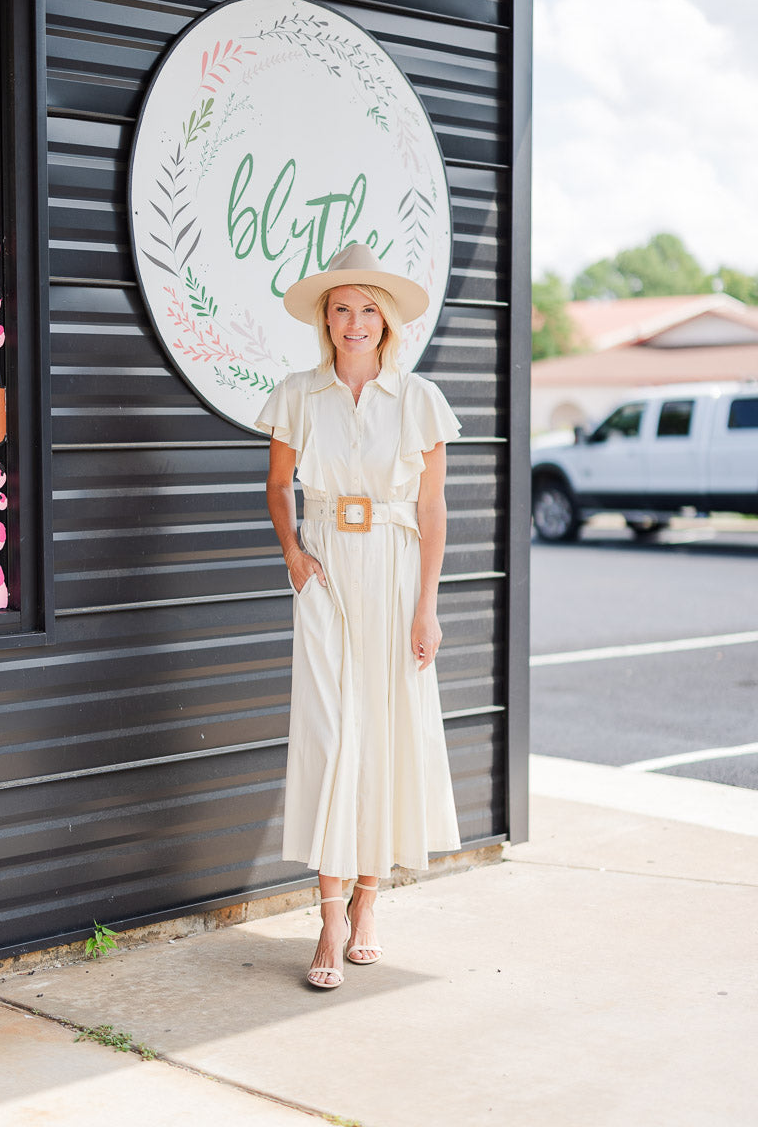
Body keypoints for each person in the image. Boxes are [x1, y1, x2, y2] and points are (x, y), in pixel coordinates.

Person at [256, 243, 461, 990]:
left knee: (382, 735)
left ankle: (366, 906)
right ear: (325, 317)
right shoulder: (297, 395)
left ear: (386, 320)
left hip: (397, 575)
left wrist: (427, 607)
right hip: (327, 577)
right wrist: (292, 557)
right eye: (341, 307)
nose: (354, 321)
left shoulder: (419, 400)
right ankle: (328, 913)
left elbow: (434, 507)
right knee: (329, 733)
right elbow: (279, 487)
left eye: (367, 308)